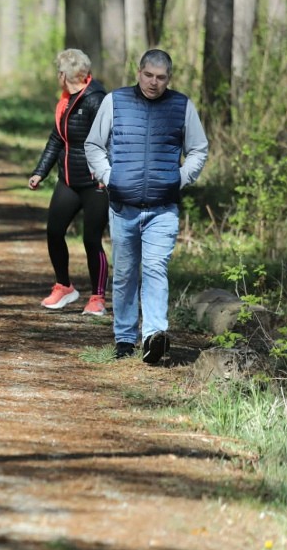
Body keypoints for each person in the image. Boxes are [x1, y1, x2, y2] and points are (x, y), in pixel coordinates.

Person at [85, 49, 209, 363]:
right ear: (139, 72)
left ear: (169, 78)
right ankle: (125, 339)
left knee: (155, 269)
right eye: (149, 75)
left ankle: (154, 335)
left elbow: (198, 149)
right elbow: (94, 144)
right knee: (125, 273)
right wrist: (109, 176)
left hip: (162, 208)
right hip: (122, 206)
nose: (154, 83)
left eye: (161, 77)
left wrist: (178, 178)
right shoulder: (115, 101)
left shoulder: (182, 106)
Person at [28, 49, 109, 316]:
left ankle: (97, 298)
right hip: (68, 180)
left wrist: (107, 174)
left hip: (95, 183)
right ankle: (64, 286)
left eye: (58, 72)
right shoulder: (65, 101)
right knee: (54, 231)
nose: (57, 76)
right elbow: (57, 138)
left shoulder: (97, 100)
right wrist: (41, 171)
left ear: (65, 75)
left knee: (91, 240)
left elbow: (112, 139)